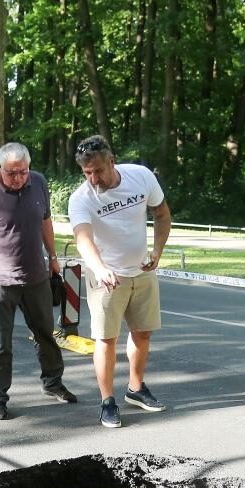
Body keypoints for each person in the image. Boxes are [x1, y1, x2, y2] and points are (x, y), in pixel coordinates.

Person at [0, 142, 77, 420]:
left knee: (46, 334)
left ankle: (53, 383)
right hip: (0, 281)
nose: (19, 178)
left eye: (23, 171)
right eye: (12, 173)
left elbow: (45, 220)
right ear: (1, 168)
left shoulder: (38, 183)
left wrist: (53, 256)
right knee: (1, 343)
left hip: (36, 276)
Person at [67, 135, 172, 429]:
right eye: (87, 173)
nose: (93, 178)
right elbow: (83, 238)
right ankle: (107, 401)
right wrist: (99, 267)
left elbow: (162, 214)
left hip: (142, 270)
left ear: (111, 161)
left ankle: (136, 388)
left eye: (98, 170)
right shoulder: (81, 198)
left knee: (143, 332)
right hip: (107, 274)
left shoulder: (141, 177)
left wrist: (157, 251)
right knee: (106, 339)